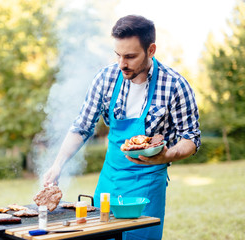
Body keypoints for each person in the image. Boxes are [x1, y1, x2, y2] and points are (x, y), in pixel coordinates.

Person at [43, 15, 201, 240]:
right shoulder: (106, 78)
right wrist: (57, 165)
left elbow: (192, 138)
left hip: (148, 185)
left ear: (151, 50)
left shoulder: (175, 85)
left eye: (130, 56)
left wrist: (168, 155)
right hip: (110, 181)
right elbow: (81, 127)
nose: (122, 64)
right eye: (117, 55)